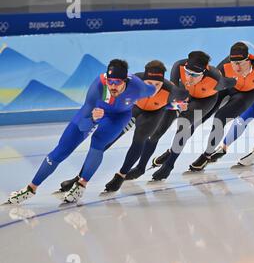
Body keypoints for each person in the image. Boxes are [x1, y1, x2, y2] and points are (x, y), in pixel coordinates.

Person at [4, 59, 157, 204]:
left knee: (98, 143)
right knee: (62, 149)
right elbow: (83, 126)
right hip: (94, 112)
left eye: (117, 82)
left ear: (125, 81)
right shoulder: (98, 87)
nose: (113, 86)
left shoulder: (138, 87)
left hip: (119, 117)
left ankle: (81, 185)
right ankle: (31, 188)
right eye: (110, 81)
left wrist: (172, 102)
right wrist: (93, 118)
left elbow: (154, 89)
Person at [57, 60, 189, 193]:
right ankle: (79, 177)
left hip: (153, 114)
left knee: (139, 139)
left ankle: (121, 176)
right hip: (133, 109)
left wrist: (177, 106)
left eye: (157, 84)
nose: (153, 88)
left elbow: (173, 102)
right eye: (149, 83)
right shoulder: (134, 81)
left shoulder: (171, 89)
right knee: (106, 141)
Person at [155, 42, 254, 176]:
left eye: (240, 63)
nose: (236, 67)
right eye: (233, 62)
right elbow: (212, 79)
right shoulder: (224, 66)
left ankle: (207, 155)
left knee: (220, 118)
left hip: (247, 95)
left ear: (249, 59)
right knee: (197, 119)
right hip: (226, 89)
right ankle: (172, 151)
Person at [149, 51, 236, 181]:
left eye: (195, 75)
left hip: (205, 100)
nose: (189, 77)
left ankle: (169, 163)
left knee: (186, 125)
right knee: (162, 126)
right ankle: (170, 152)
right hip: (184, 94)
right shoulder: (178, 66)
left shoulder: (216, 79)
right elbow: (174, 92)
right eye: (187, 72)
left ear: (204, 71)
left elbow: (233, 82)